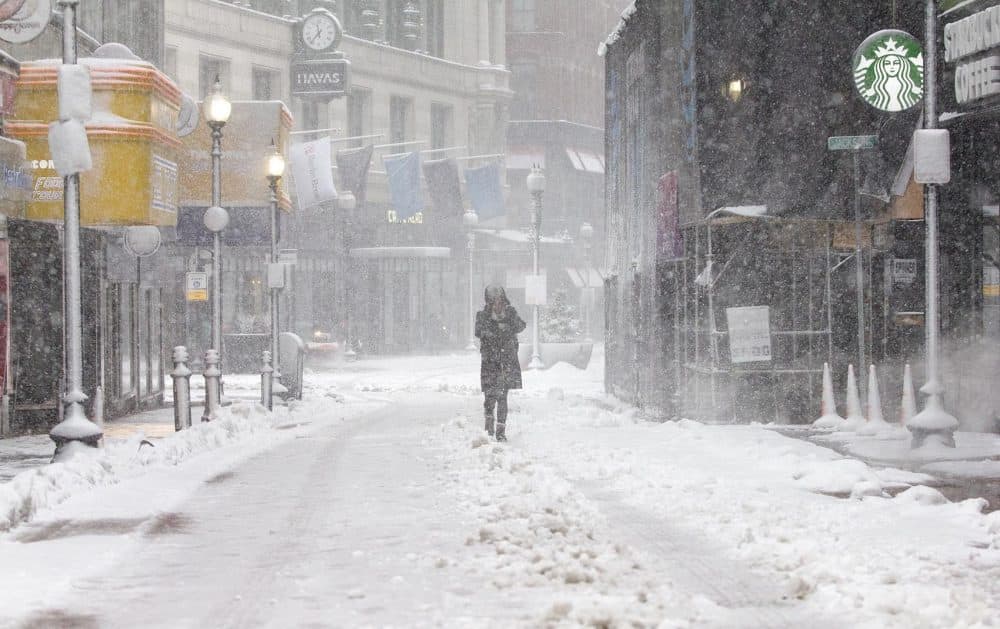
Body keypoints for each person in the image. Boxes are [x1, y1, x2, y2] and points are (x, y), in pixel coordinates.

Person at [474, 285, 526, 441]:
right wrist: (497, 332)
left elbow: (521, 326)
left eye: (500, 301)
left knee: (503, 396)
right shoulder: (483, 316)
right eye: (494, 301)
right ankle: (489, 425)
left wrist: (509, 322)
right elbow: (479, 332)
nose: (498, 304)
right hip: (490, 362)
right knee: (489, 396)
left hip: (506, 361)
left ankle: (501, 431)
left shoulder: (510, 313)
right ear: (489, 302)